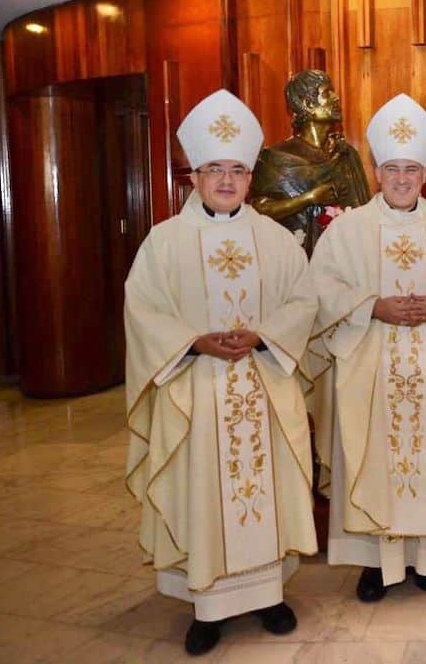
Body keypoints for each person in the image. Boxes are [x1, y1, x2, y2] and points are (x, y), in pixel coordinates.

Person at [124, 89, 318, 655]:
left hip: (262, 385)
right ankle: (206, 606)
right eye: (216, 170)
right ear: (195, 176)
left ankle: (267, 596)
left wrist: (262, 334)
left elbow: (301, 302)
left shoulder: (276, 241)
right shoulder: (164, 243)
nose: (227, 181)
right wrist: (192, 342)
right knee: (204, 494)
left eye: (237, 170)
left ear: (250, 176)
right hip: (196, 394)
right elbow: (143, 309)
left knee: (267, 489)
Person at [309, 94, 426, 602]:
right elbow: (321, 291)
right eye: (392, 169)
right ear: (376, 170)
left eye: (413, 169)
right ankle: (373, 563)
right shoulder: (346, 232)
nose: (402, 178)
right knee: (373, 457)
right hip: (369, 370)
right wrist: (371, 307)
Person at [250, 69, 372, 254]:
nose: (336, 98)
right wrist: (309, 198)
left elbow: (364, 212)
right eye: (326, 93)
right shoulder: (275, 158)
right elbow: (260, 209)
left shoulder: (346, 155)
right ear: (307, 104)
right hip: (295, 261)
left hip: (345, 261)